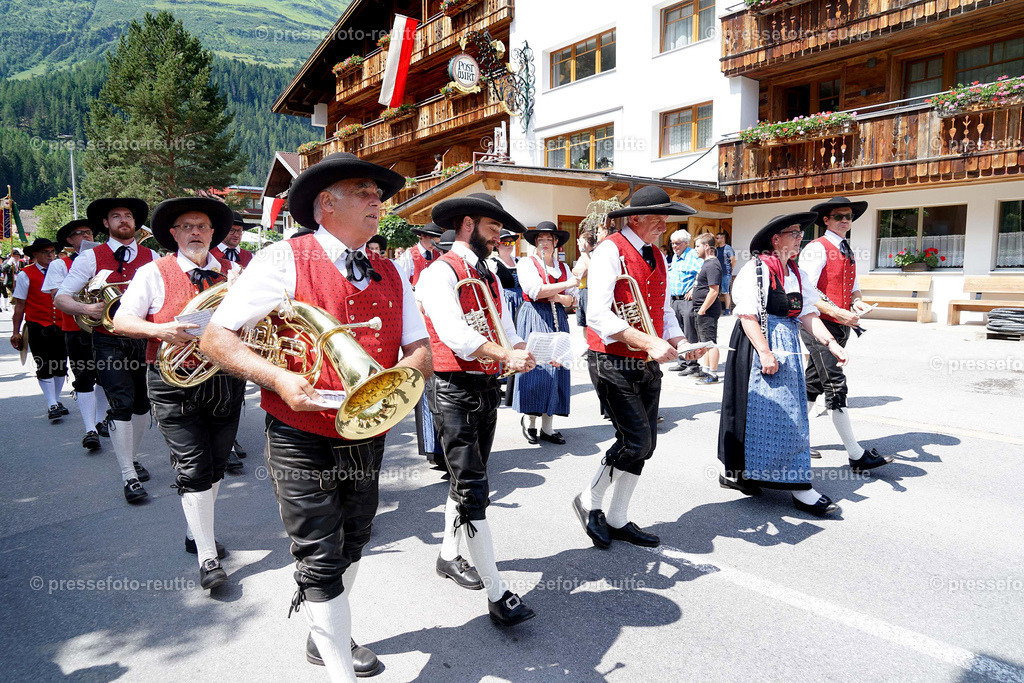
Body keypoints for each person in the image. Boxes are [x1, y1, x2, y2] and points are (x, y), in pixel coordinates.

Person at [200, 152, 431, 681]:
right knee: (319, 554)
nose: (378, 200)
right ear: (326, 204)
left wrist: (407, 380)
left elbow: (418, 345)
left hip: (367, 430)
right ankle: (338, 670)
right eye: (363, 191)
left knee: (355, 537)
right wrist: (280, 379)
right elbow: (217, 337)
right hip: (299, 431)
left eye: (379, 193)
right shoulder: (282, 259)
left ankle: (326, 633)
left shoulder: (391, 270)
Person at [418, 192, 537, 627]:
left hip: (485, 384)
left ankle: (449, 555)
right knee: (473, 486)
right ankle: (497, 591)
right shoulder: (438, 273)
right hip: (454, 387)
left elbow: (504, 324)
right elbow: (452, 333)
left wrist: (524, 348)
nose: (498, 236)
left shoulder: (487, 273)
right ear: (467, 224)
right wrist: (503, 355)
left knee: (468, 477)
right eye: (492, 228)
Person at [113, 197, 243, 590]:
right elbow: (121, 319)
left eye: (202, 226)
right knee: (193, 466)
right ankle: (207, 557)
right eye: (186, 226)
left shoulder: (232, 273)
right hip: (172, 381)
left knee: (217, 463)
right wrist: (160, 331)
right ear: (173, 234)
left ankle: (195, 532)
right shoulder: (154, 272)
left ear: (212, 233)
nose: (195, 232)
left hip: (225, 378)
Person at [574, 186, 700, 550]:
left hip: (644, 362)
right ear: (634, 219)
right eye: (657, 216)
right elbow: (597, 315)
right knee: (635, 441)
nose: (664, 223)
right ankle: (589, 501)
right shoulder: (609, 250)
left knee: (646, 445)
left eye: (666, 217)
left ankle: (617, 516)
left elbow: (660, 311)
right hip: (613, 361)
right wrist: (649, 343)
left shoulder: (657, 255)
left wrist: (681, 344)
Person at [718, 213, 850, 516]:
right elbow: (747, 315)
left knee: (789, 415)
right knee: (762, 413)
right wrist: (764, 352)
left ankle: (789, 479)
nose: (800, 237)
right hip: (757, 346)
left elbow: (807, 315)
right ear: (775, 239)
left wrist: (831, 344)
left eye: (801, 233)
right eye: (793, 233)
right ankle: (762, 477)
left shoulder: (796, 273)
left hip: (786, 345)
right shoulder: (757, 270)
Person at [56, 197, 156, 503]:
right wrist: (88, 306)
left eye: (128, 216)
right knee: (122, 403)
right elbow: (61, 297)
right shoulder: (89, 258)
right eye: (116, 216)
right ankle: (128, 474)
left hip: (141, 338)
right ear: (105, 223)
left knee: (142, 404)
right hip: (107, 339)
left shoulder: (152, 255)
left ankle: (132, 456)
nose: (123, 220)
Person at [800, 197, 893, 472]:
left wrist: (857, 302)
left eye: (849, 216)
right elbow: (806, 292)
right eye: (839, 216)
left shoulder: (845, 248)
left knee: (813, 383)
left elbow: (854, 285)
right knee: (835, 386)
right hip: (819, 326)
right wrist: (838, 313)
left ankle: (794, 440)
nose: (845, 220)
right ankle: (856, 454)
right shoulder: (817, 248)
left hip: (840, 326)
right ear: (826, 220)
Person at [42, 219, 112, 449]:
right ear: (69, 240)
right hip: (76, 327)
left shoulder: (103, 259)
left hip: (103, 325)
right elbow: (56, 294)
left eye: (89, 232)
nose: (87, 236)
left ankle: (101, 420)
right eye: (79, 233)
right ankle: (89, 428)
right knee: (83, 377)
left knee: (104, 377)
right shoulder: (60, 264)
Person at [514, 222, 577, 445]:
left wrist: (560, 297)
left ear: (556, 242)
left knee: (557, 367)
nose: (544, 243)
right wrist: (566, 285)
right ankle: (529, 421)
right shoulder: (526, 263)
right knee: (536, 369)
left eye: (548, 239)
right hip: (535, 316)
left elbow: (573, 300)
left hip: (558, 316)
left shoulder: (563, 267)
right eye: (540, 239)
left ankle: (548, 427)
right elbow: (535, 290)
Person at [10, 238, 70, 421]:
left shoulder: (63, 272)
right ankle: (51, 403)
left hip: (61, 324)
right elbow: (20, 305)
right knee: (44, 364)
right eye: (46, 252)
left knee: (60, 365)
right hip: (37, 326)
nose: (51, 255)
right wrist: (16, 331)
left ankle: (56, 400)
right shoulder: (25, 275)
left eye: (52, 252)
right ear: (35, 255)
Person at [491, 228, 523, 408]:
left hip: (520, 303)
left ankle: (514, 380)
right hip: (506, 302)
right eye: (505, 242)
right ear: (498, 245)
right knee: (504, 339)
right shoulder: (493, 263)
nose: (509, 246)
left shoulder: (519, 261)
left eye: (511, 242)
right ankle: (500, 380)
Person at [666, 230, 702, 376]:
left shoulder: (692, 255)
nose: (674, 246)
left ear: (686, 243)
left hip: (686, 300)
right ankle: (681, 361)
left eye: (677, 243)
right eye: (672, 243)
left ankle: (692, 364)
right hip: (674, 299)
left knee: (689, 331)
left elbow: (702, 272)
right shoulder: (675, 256)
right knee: (677, 331)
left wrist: (694, 288)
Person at [691, 233, 723, 384]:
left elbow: (714, 291)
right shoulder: (706, 263)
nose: (695, 249)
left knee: (710, 343)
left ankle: (714, 374)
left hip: (708, 310)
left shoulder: (712, 265)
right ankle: (706, 370)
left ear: (706, 247)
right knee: (705, 343)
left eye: (697, 246)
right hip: (701, 308)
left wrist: (703, 309)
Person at [396, 222, 444, 286]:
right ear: (422, 236)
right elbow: (402, 281)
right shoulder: (409, 255)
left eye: (437, 243)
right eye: (432, 242)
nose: (434, 245)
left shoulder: (438, 255)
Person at [572, 230, 595, 329]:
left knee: (590, 322)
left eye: (580, 241)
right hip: (580, 290)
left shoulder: (592, 255)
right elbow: (574, 271)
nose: (578, 244)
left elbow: (586, 270)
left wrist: (579, 271)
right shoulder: (582, 257)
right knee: (583, 323)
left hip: (588, 290)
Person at [715, 231, 736, 314]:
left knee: (725, 291)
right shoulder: (717, 249)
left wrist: (731, 269)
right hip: (717, 273)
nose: (716, 240)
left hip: (726, 273)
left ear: (723, 239)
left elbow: (733, 259)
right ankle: (716, 308)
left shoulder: (728, 248)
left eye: (718, 238)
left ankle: (727, 309)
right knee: (716, 291)